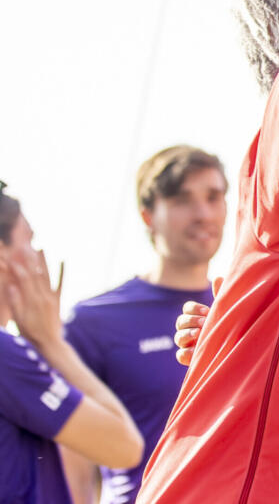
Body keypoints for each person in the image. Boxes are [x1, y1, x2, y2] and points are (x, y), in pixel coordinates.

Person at [60, 147, 226, 504]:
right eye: (183, 199)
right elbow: (74, 469)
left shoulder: (246, 311)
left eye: (214, 197)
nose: (203, 214)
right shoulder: (93, 322)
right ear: (148, 215)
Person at [0, 183, 143, 504]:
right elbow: (123, 446)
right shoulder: (4, 355)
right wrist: (52, 342)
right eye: (29, 241)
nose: (39, 259)